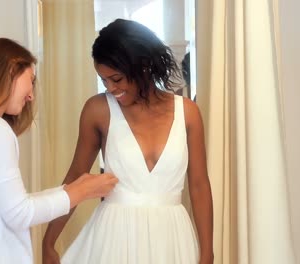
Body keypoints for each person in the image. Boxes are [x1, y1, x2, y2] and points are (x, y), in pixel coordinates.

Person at [43, 19, 214, 264]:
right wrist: (49, 242)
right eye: (104, 81)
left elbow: (199, 185)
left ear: (142, 66)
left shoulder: (187, 113)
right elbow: (75, 177)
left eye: (117, 79)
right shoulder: (98, 110)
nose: (111, 88)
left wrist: (208, 253)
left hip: (172, 240)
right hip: (114, 239)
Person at [0, 38, 118, 264]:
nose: (31, 95)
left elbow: (10, 204)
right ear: (11, 71)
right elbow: (19, 214)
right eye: (31, 80)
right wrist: (80, 192)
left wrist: (72, 188)